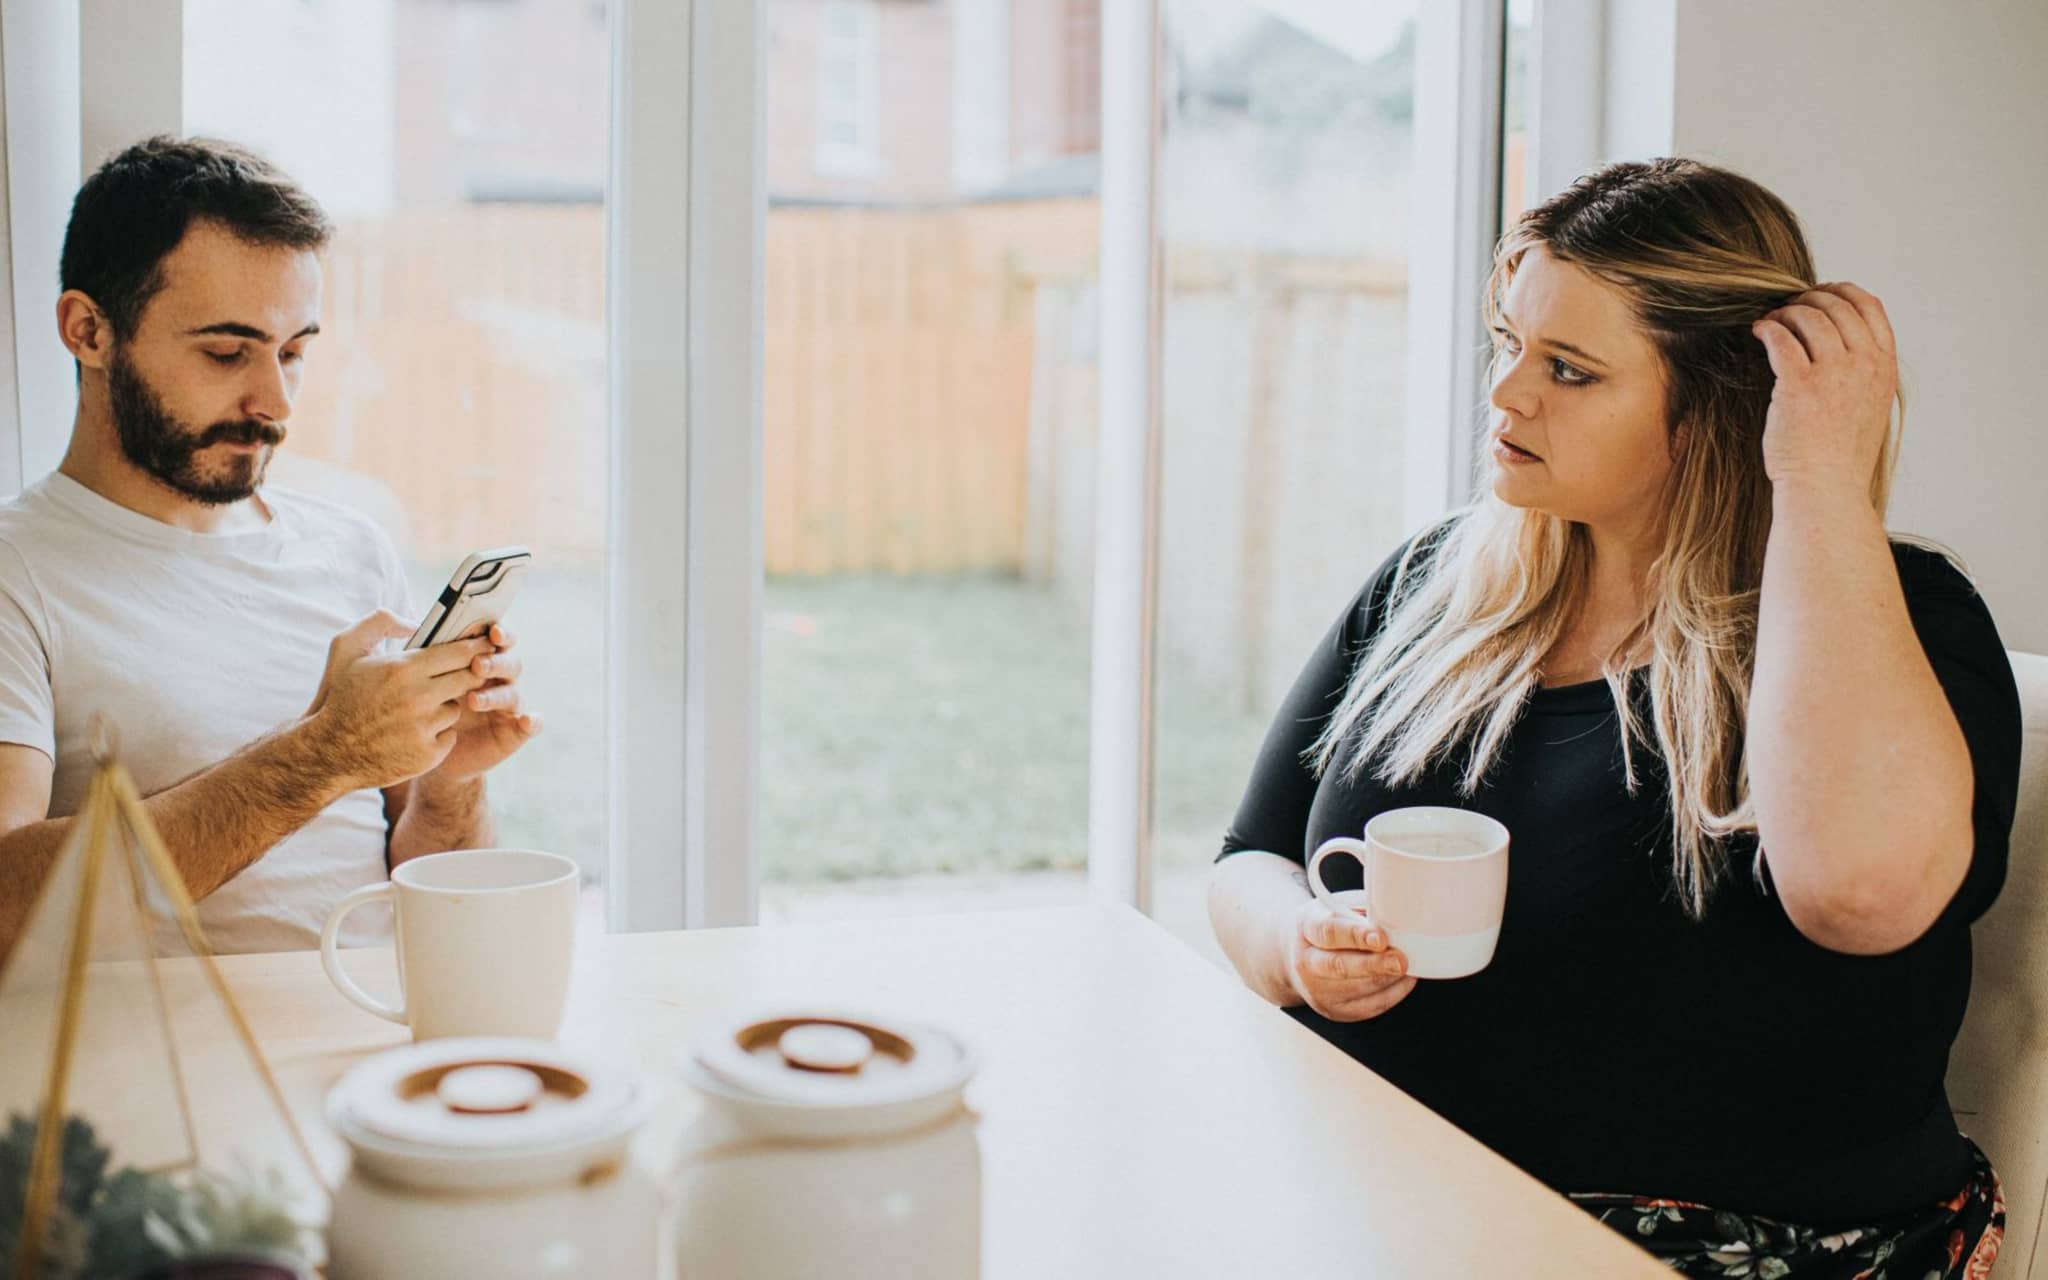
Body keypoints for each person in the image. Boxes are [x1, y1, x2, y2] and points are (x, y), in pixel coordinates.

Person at [1208, 158, 2019, 1278]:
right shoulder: (1429, 583)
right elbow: (1248, 856)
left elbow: (1859, 897)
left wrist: (1817, 477)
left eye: (1570, 370)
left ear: (1722, 400)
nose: (1505, 394)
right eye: (1508, 342)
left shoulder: (1903, 616)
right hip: (1389, 1197)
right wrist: (1296, 946)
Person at [0, 136, 539, 958]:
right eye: (226, 352)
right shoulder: (18, 572)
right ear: (88, 330)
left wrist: (446, 785)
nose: (275, 403)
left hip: (375, 1055)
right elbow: (6, 908)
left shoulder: (352, 549)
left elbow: (439, 904)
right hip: (158, 1079)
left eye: (293, 353)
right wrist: (322, 755)